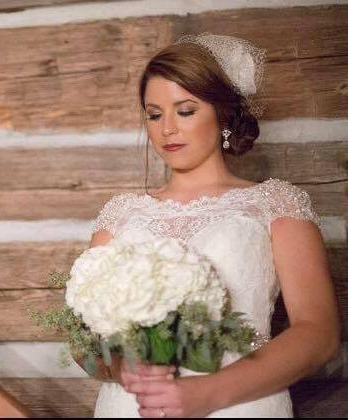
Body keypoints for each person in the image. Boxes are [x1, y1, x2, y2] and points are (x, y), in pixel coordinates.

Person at [78, 33, 341, 418]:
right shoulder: (120, 216)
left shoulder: (275, 205)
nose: (167, 128)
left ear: (222, 114)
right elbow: (83, 340)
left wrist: (209, 392)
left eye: (185, 111)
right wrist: (119, 366)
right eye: (154, 114)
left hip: (238, 406)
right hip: (132, 407)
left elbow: (319, 333)